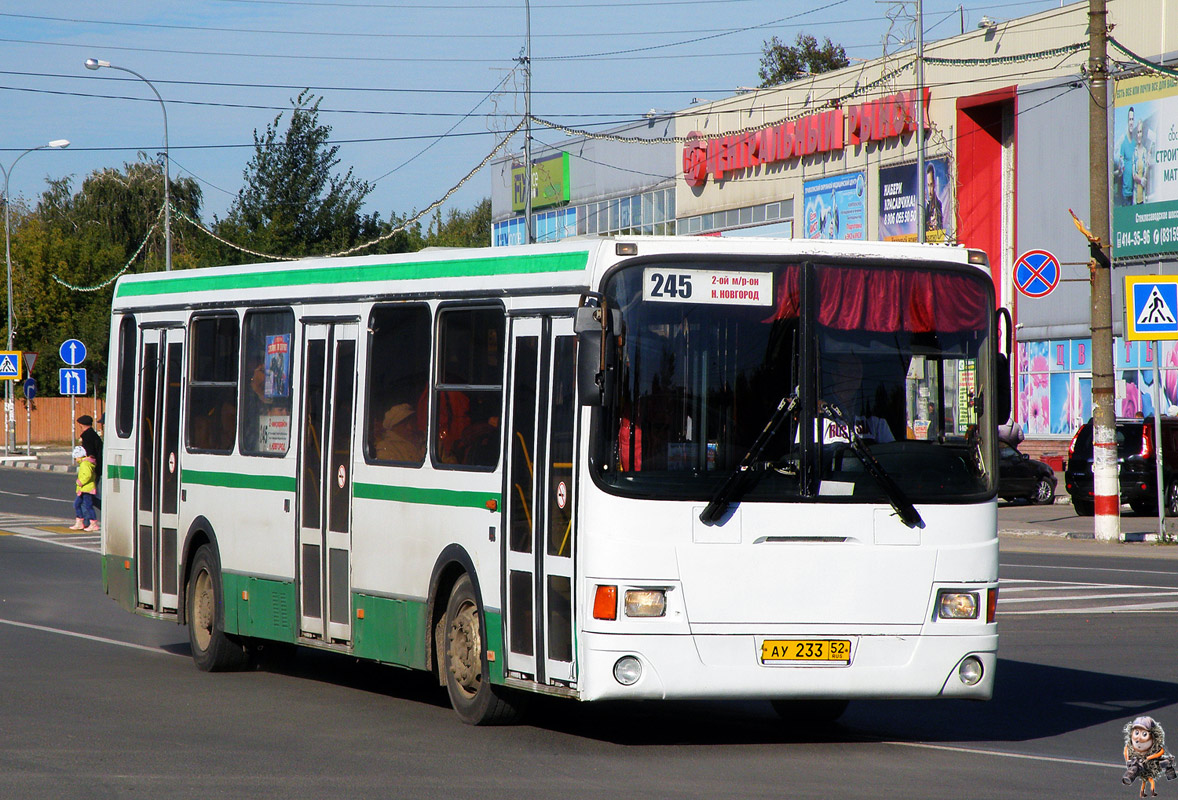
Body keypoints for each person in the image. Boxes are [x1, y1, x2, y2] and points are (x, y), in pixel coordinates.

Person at [71, 445, 99, 532]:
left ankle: (93, 523)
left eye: (76, 457)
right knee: (77, 504)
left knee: (88, 506)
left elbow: (87, 475)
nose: (76, 460)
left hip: (87, 489)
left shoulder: (85, 464)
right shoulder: (84, 464)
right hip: (83, 489)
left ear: (80, 456)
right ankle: (80, 522)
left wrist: (80, 482)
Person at [77, 414, 103, 507]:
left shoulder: (87, 437)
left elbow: (90, 454)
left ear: (81, 425)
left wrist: (81, 459)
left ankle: (89, 519)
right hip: (97, 467)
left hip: (92, 469)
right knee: (90, 496)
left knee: (90, 496)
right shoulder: (94, 435)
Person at [1115, 106, 1137, 206]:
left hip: (1135, 190)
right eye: (1130, 120)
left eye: (1132, 119)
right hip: (1126, 191)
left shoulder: (1135, 143)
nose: (1131, 122)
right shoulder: (1123, 143)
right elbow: (1120, 162)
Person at [923, 164, 944, 233]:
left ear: (934, 184)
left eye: (931, 185)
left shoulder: (938, 204)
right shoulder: (927, 206)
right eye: (928, 185)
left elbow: (940, 226)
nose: (930, 191)